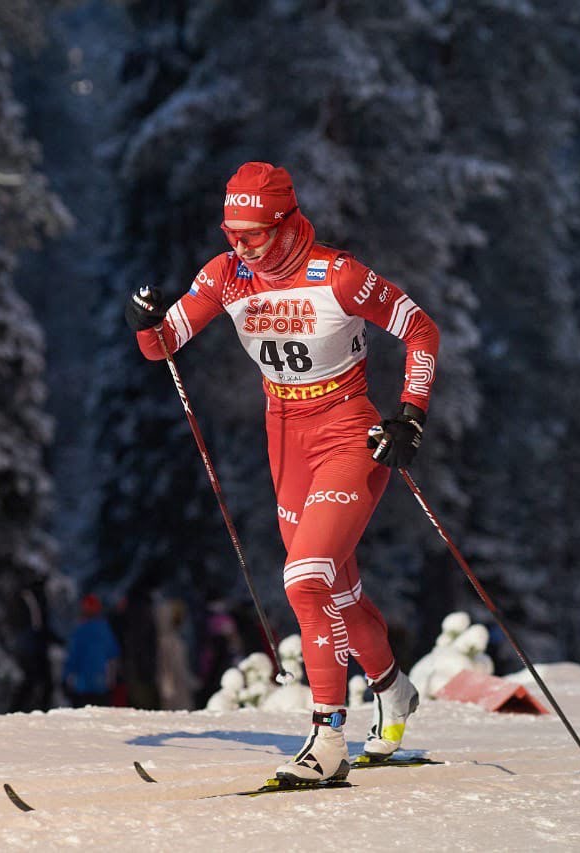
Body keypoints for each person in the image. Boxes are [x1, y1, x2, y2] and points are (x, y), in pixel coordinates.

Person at [125, 162, 439, 784]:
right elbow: (165, 345)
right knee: (337, 591)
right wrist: (145, 322)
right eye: (231, 233)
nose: (240, 247)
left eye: (254, 235)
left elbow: (421, 330)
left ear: (288, 225)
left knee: (303, 580)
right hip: (285, 438)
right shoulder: (225, 275)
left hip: (350, 431)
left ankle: (327, 738)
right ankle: (392, 689)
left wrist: (410, 417)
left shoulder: (339, 275)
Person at [62, 593, 121, 707]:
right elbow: (113, 655)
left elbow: (72, 658)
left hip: (81, 687)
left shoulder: (79, 631)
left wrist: (65, 679)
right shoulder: (105, 629)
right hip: (102, 686)